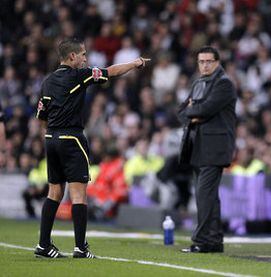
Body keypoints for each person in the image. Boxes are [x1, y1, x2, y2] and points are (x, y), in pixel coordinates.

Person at [34, 38, 150, 259]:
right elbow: (111, 72)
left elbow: (41, 114)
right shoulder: (80, 74)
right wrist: (135, 63)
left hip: (51, 137)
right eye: (83, 55)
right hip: (71, 138)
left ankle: (43, 245)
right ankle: (80, 248)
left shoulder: (47, 81)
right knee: (78, 194)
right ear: (72, 57)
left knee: (54, 192)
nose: (86, 59)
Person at [178, 46, 236, 253]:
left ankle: (201, 241)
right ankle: (213, 241)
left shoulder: (224, 84)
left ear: (218, 62)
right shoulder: (198, 83)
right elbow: (182, 112)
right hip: (198, 147)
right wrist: (194, 112)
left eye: (208, 61)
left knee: (204, 195)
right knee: (209, 196)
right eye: (201, 61)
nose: (204, 65)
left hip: (215, 148)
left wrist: (195, 110)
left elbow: (206, 109)